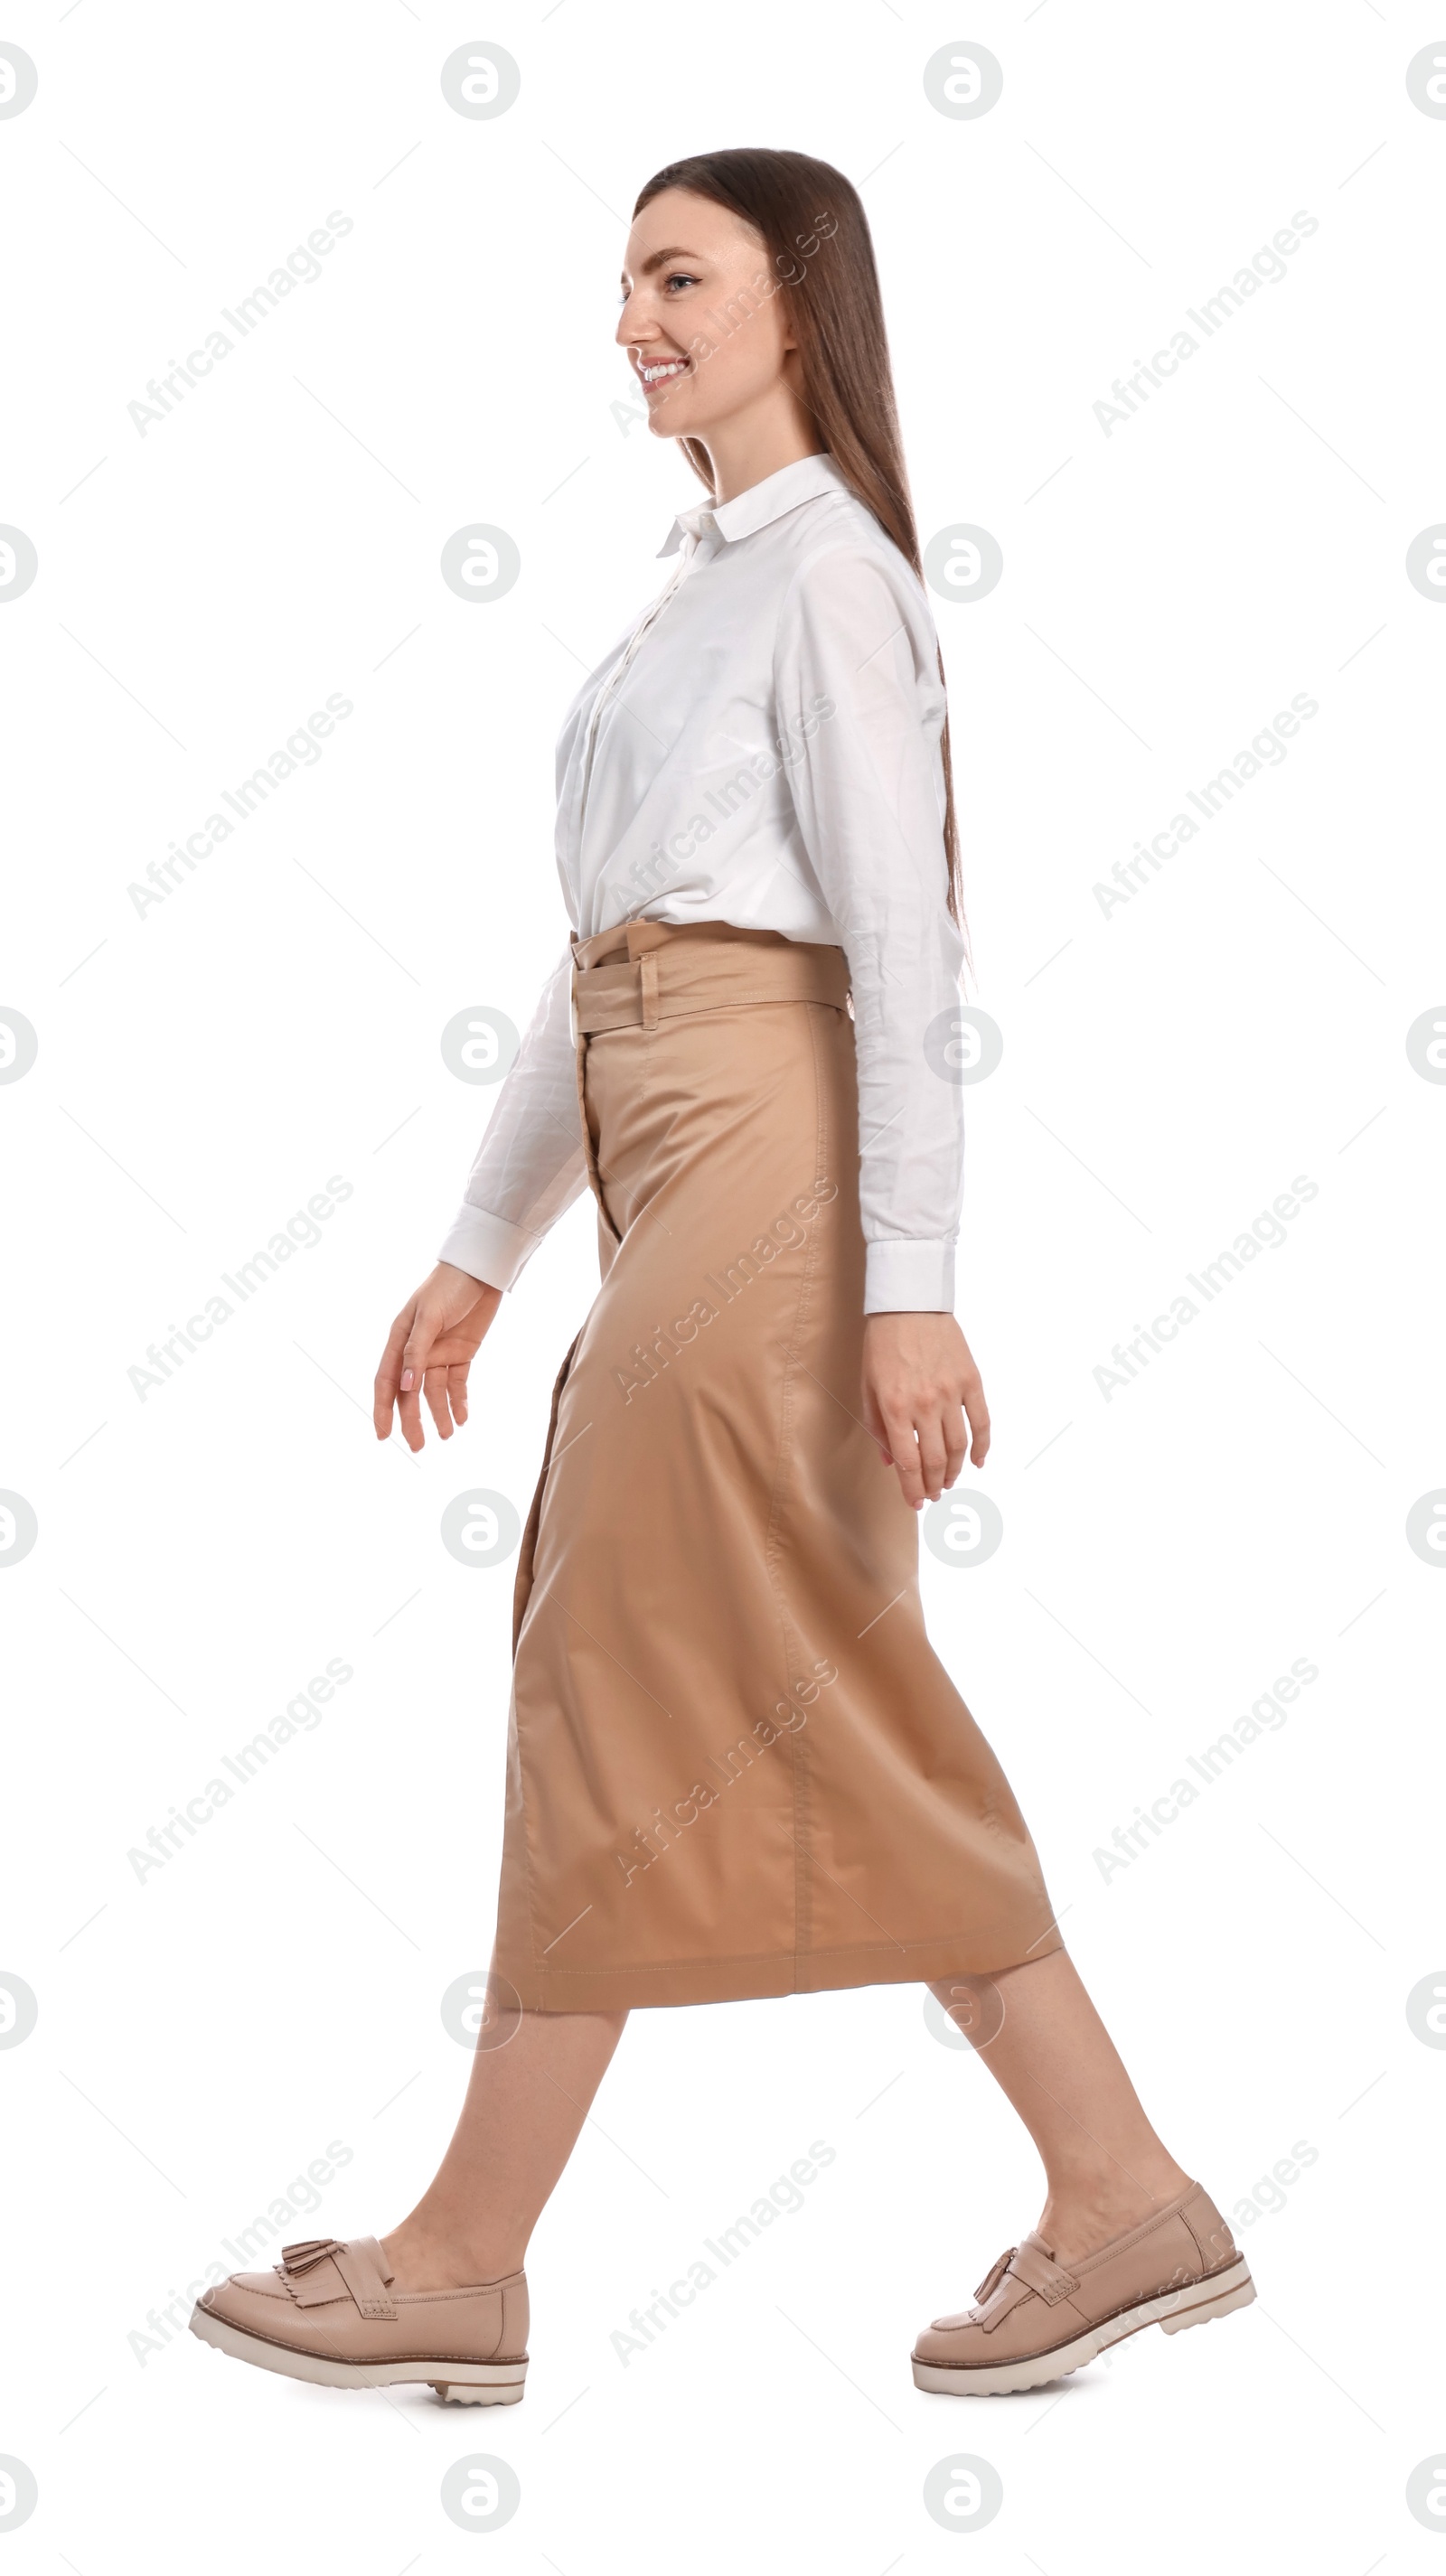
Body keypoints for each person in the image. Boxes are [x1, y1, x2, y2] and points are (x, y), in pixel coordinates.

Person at [190, 147, 1254, 2408]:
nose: (630, 320)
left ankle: (469, 2255)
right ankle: (1116, 2189)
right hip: (671, 1141)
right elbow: (608, 974)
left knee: (616, 1656)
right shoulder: (690, 590)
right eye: (622, 283)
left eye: (674, 277)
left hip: (767, 1168)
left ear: (796, 303)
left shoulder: (830, 585)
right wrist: (481, 1248)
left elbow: (898, 954)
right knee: (772, 1676)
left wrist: (909, 1284)